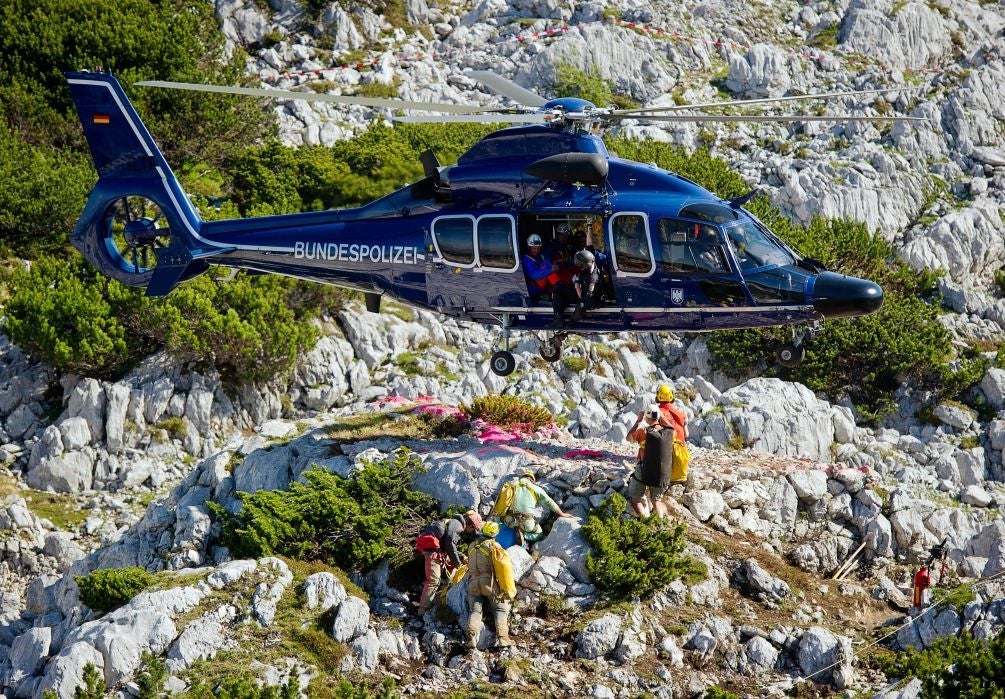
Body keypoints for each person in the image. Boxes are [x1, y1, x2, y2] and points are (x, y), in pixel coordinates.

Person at [416, 510, 483, 616]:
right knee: (433, 580)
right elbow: (450, 544)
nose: (472, 532)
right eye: (473, 529)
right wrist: (459, 564)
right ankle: (423, 611)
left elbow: (449, 544)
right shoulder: (458, 526)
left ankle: (429, 598)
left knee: (437, 576)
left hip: (431, 547)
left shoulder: (454, 523)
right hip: (432, 550)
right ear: (470, 526)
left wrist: (461, 556)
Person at [466, 521, 516, 649]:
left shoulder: (472, 545)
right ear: (495, 533)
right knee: (499, 609)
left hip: (473, 583)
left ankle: (471, 637)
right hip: (488, 582)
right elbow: (503, 567)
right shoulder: (494, 546)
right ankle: (503, 638)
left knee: (475, 611)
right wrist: (507, 589)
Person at [497, 468, 575, 546]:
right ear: (532, 480)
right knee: (538, 533)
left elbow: (499, 502)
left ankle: (505, 529)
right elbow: (549, 502)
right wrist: (562, 514)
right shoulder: (536, 488)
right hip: (525, 522)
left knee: (502, 522)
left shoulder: (510, 484)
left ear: (522, 477)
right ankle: (523, 534)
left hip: (507, 520)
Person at [626, 405, 670, 519]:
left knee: (635, 498)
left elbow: (628, 438)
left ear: (646, 417)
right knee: (656, 500)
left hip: (644, 468)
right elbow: (671, 427)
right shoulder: (668, 432)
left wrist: (638, 421)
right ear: (659, 416)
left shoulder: (643, 431)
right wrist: (662, 416)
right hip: (661, 471)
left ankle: (645, 521)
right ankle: (660, 524)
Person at [550, 249, 599, 328]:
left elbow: (584, 298)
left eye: (580, 265)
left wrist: (576, 283)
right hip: (584, 290)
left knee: (559, 290)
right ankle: (558, 319)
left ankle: (566, 322)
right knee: (559, 287)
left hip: (588, 299)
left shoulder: (592, 278)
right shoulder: (591, 262)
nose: (579, 266)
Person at [522, 234, 552, 301]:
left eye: (538, 248)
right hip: (532, 292)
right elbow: (534, 275)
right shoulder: (526, 259)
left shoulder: (542, 257)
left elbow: (549, 265)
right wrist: (551, 269)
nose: (536, 250)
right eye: (534, 248)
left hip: (544, 289)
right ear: (529, 247)